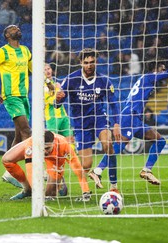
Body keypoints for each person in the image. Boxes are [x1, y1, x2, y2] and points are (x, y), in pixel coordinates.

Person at [92, 60, 168, 186]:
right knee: (120, 145)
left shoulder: (145, 81)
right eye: (162, 68)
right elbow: (167, 74)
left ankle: (146, 170)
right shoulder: (148, 77)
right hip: (130, 115)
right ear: (156, 69)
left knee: (160, 140)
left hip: (136, 119)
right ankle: (97, 170)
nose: (164, 71)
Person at [55, 48, 121, 193]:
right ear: (80, 63)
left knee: (108, 144)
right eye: (86, 63)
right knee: (86, 164)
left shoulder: (103, 80)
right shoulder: (71, 79)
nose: (89, 65)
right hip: (81, 124)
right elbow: (57, 104)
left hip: (99, 119)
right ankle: (63, 178)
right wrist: (58, 99)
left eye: (92, 62)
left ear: (96, 62)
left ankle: (114, 186)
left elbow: (114, 104)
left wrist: (116, 124)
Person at [0, 24, 32, 182]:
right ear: (7, 35)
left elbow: (33, 69)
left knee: (18, 137)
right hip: (10, 96)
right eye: (13, 28)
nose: (18, 29)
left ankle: (9, 172)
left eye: (18, 27)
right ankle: (34, 171)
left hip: (24, 96)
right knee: (27, 133)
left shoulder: (25, 50)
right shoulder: (2, 52)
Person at [3, 130, 91, 202]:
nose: (45, 151)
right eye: (43, 148)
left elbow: (77, 168)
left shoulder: (63, 145)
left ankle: (59, 182)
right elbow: (30, 170)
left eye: (47, 148)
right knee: (7, 160)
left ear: (54, 143)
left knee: (49, 196)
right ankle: (28, 190)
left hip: (55, 160)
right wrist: (36, 191)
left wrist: (85, 191)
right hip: (34, 148)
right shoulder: (32, 145)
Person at [44, 63, 75, 144]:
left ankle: (71, 157)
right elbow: (49, 101)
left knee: (70, 140)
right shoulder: (42, 86)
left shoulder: (56, 83)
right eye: (45, 70)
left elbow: (62, 98)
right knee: (54, 142)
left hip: (63, 116)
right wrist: (58, 93)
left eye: (48, 69)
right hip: (52, 118)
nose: (47, 71)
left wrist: (60, 91)